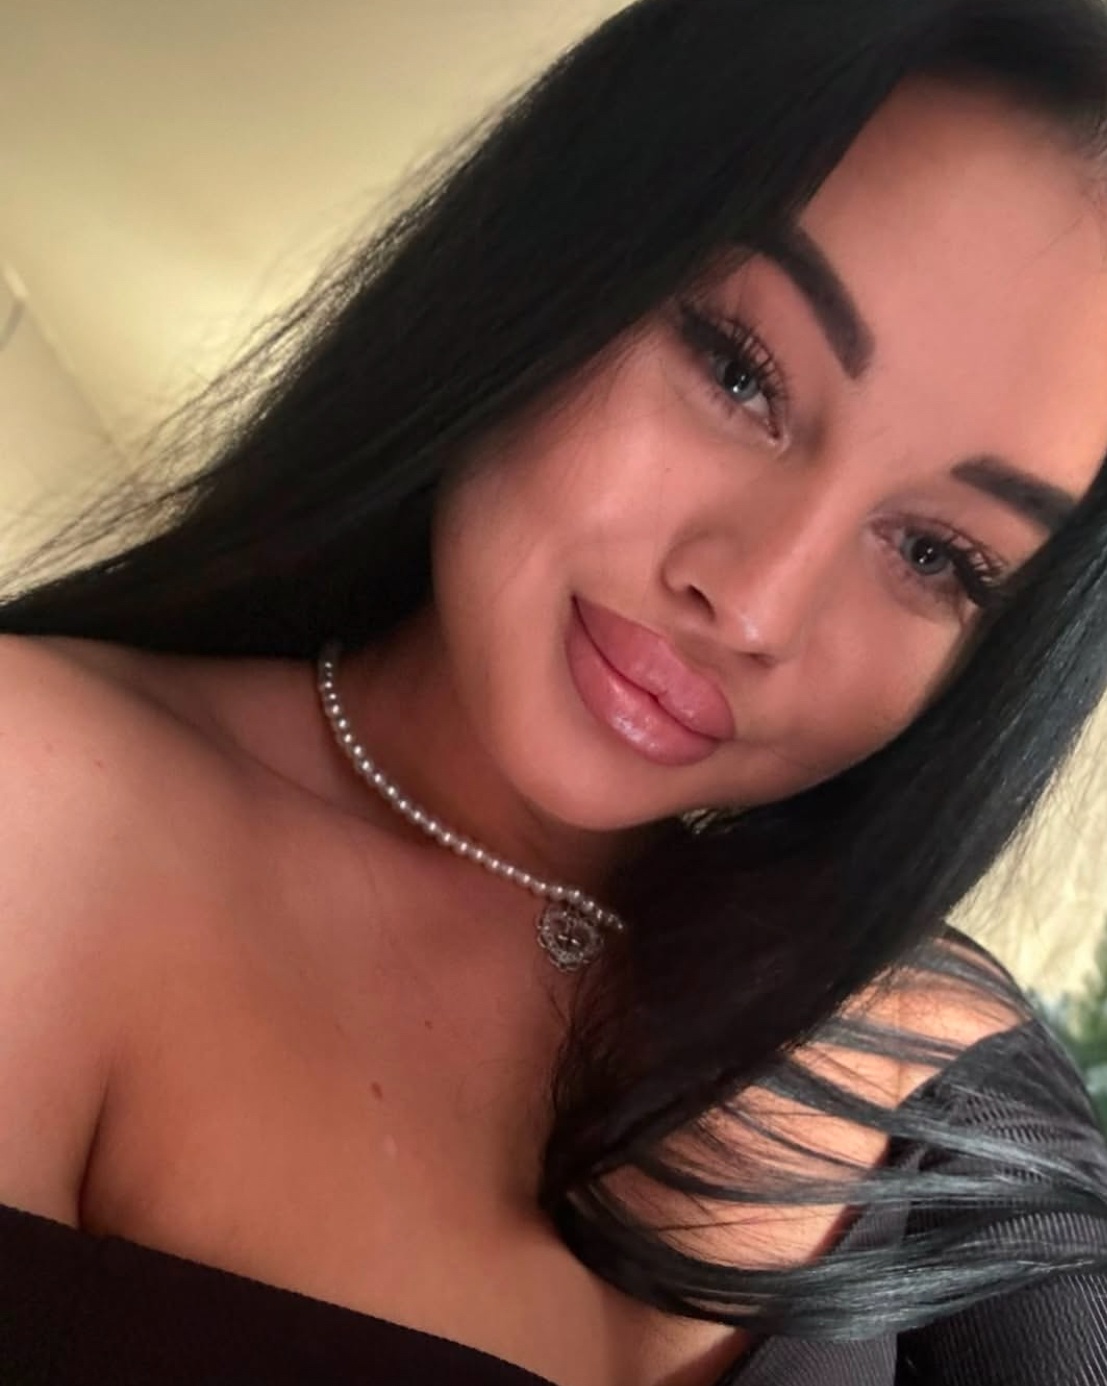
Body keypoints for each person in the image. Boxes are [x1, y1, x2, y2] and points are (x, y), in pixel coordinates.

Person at [2, 0, 1107, 1382]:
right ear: (557, 255)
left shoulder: (945, 1065)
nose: (755, 604)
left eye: (937, 555)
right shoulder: (39, 804)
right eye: (739, 372)